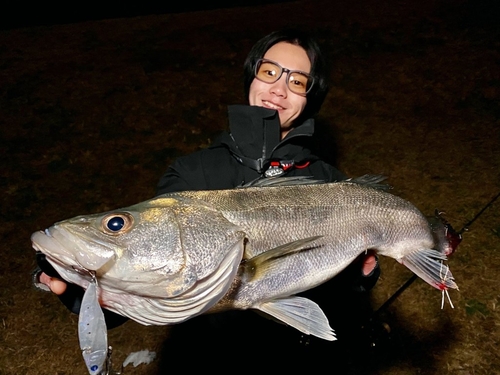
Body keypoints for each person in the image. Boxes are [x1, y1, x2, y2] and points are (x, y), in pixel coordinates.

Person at [34, 29, 379, 331]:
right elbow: (160, 279)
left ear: (310, 97)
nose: (278, 88)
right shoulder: (192, 174)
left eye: (297, 81)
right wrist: (88, 295)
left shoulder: (328, 182)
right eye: (269, 71)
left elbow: (339, 293)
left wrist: (360, 278)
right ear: (251, 77)